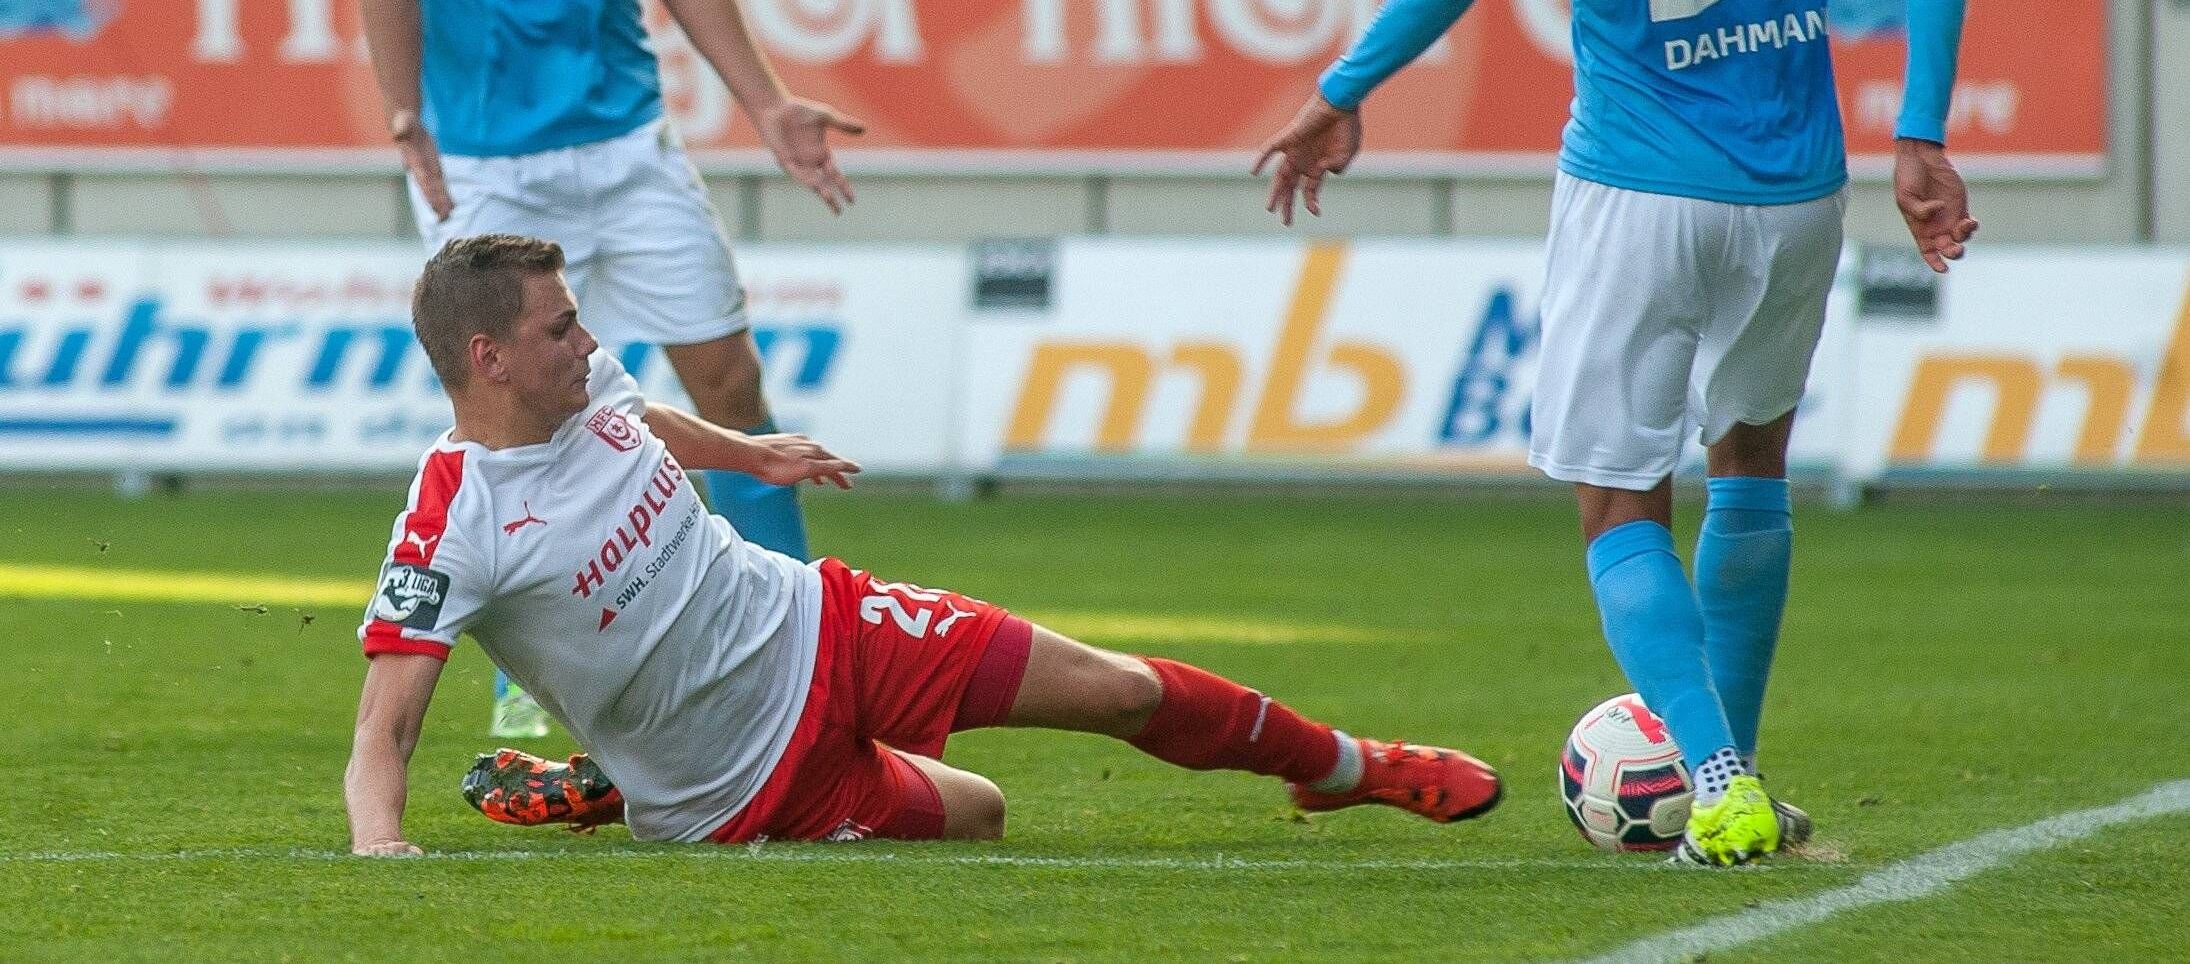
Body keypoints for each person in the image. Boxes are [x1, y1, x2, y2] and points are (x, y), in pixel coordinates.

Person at [1254, 0, 1974, 866]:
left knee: (1616, 501)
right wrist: (1916, 132)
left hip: (1636, 195)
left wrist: (1338, 92)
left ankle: (1711, 776)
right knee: (1750, 468)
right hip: (1798, 195)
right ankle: (1737, 782)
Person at [344, 235, 1504, 853]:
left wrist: (750, 455)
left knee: (1117, 687)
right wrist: (380, 846)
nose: (587, 338)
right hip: (740, 791)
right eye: (558, 326)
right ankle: (620, 781)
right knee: (983, 812)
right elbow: (382, 727)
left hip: (823, 623)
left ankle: (1347, 767)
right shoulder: (452, 523)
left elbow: (636, 415)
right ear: (487, 359)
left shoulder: (585, 379)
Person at [350, 0, 862, 738]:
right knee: (509, 418)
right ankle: (529, 666)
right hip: (485, 158)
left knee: (727, 373)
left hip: (628, 140)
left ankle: (802, 621)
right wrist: (404, 114)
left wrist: (768, 100)